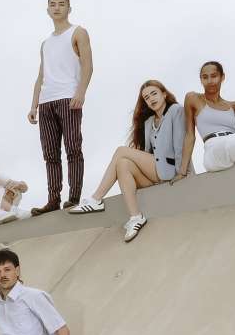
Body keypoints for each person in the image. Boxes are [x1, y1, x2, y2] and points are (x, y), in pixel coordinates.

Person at [72, 80, 182, 243]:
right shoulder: (149, 122)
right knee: (122, 163)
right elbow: (147, 153)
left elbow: (182, 142)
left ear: (164, 94)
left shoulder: (175, 111)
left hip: (170, 170)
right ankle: (136, 217)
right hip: (155, 173)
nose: (151, 99)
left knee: (121, 151)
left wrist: (182, 171)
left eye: (154, 93)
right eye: (146, 97)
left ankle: (96, 199)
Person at [24, 0, 93, 214]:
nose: (57, 8)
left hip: (68, 98)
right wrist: (34, 105)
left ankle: (74, 197)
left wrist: (80, 92)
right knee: (50, 154)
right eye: (52, 5)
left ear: (69, 9)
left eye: (61, 4)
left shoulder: (78, 32)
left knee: (73, 148)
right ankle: (53, 199)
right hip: (46, 102)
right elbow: (40, 76)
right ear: (47, 10)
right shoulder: (45, 43)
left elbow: (88, 65)